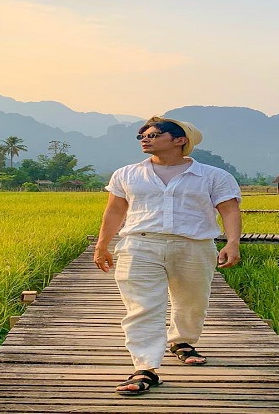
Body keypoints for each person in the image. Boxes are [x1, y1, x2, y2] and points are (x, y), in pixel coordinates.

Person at [93, 115, 242, 396]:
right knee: (142, 306)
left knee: (192, 301)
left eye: (153, 134)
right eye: (142, 136)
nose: (145, 139)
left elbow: (230, 210)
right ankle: (145, 367)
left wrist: (232, 243)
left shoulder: (213, 176)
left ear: (180, 140)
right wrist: (102, 245)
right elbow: (114, 211)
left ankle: (182, 341)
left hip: (194, 245)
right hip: (140, 244)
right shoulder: (127, 174)